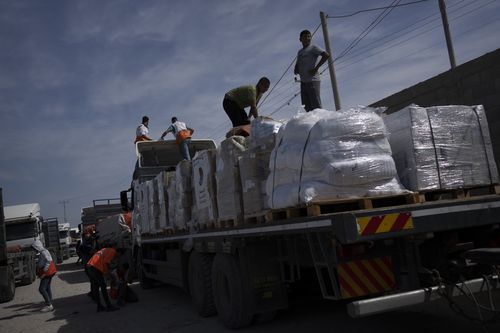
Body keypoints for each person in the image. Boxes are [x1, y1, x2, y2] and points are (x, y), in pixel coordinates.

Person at [294, 30, 330, 112]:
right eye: (305, 37)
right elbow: (298, 63)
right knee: (306, 106)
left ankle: (320, 122)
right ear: (300, 39)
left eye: (309, 36)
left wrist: (316, 68)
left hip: (312, 80)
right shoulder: (300, 52)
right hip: (303, 81)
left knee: (316, 105)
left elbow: (326, 55)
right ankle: (312, 123)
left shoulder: (313, 48)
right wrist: (296, 68)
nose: (307, 38)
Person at [86, 246, 120, 312]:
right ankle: (109, 306)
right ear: (119, 252)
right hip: (95, 268)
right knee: (103, 286)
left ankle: (99, 306)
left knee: (96, 287)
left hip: (89, 266)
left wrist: (105, 273)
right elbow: (105, 262)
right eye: (118, 256)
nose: (116, 258)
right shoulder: (112, 251)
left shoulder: (106, 249)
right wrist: (107, 274)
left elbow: (103, 262)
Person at [31, 240, 57, 312]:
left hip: (47, 272)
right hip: (48, 272)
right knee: (47, 288)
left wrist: (44, 272)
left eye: (35, 248)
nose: (34, 250)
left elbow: (49, 261)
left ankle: (49, 305)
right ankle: (50, 303)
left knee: (42, 289)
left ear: (37, 247)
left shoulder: (44, 252)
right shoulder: (43, 252)